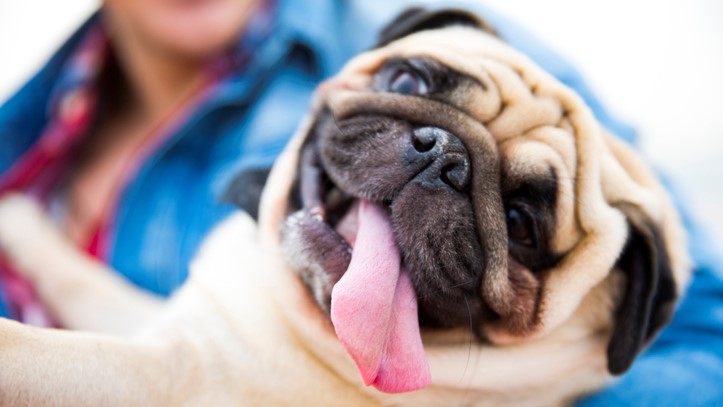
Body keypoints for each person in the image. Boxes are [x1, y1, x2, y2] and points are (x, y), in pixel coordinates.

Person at [0, 0, 721, 405]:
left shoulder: (491, 44)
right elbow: (178, 354)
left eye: (518, 219)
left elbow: (707, 344)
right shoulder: (23, 129)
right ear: (390, 50)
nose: (434, 163)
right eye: (412, 90)